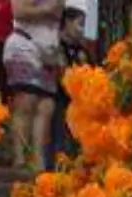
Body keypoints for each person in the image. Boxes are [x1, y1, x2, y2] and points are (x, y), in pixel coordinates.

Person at [3, 0, 64, 173]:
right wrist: (46, 8)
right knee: (27, 101)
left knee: (46, 106)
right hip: (24, 45)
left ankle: (38, 160)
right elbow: (19, 11)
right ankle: (20, 158)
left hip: (48, 53)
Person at [46, 6, 94, 169]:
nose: (82, 31)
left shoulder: (82, 51)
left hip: (79, 105)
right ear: (66, 22)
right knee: (57, 139)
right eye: (79, 25)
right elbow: (59, 74)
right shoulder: (55, 46)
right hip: (58, 100)